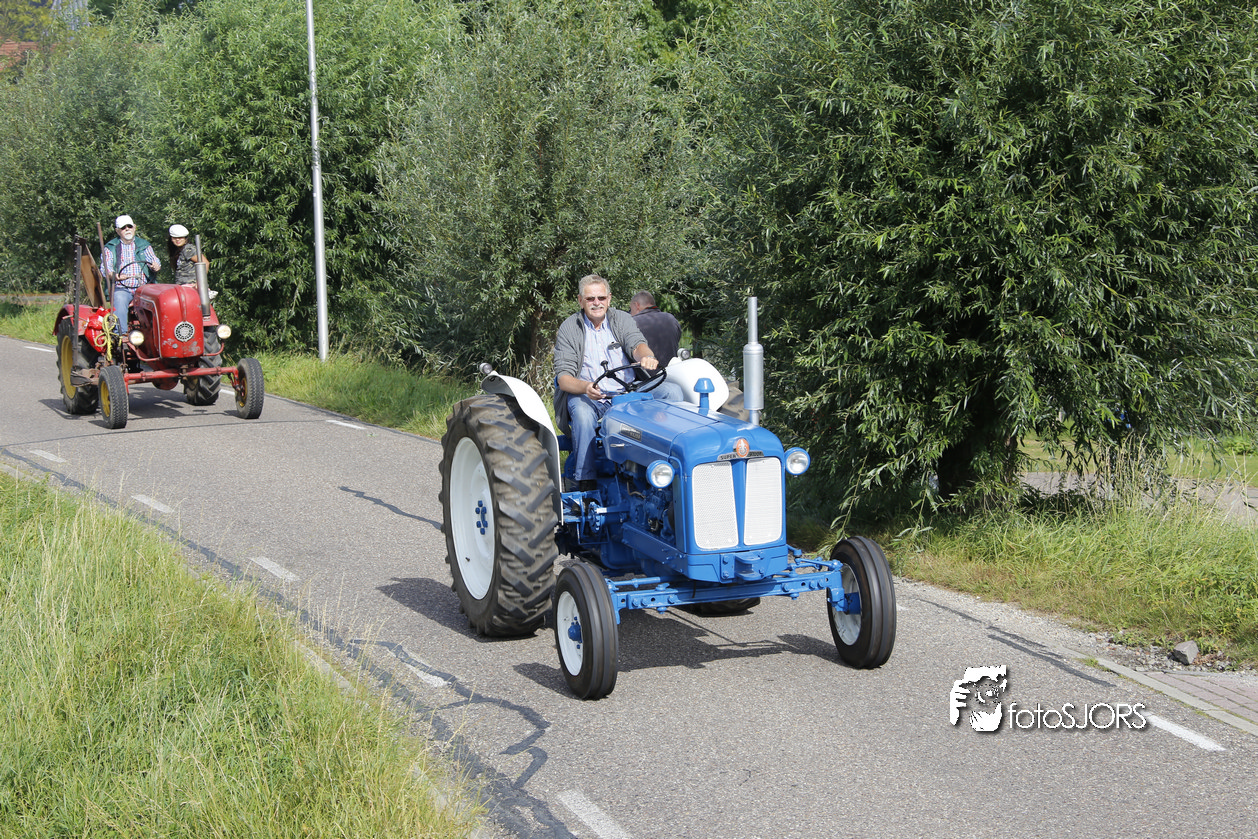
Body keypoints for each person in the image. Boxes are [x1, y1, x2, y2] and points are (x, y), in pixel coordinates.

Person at [554, 274, 684, 490]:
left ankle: (670, 463)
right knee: (582, 414)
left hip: (628, 393)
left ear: (609, 299)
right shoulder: (570, 328)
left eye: (601, 298)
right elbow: (563, 378)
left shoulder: (621, 319)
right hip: (591, 397)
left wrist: (646, 356)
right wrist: (585, 387)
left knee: (672, 392)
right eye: (590, 299)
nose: (596, 303)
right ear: (580, 301)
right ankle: (585, 480)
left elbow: (637, 344)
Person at [101, 214, 161, 333]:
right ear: (117, 231)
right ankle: (121, 334)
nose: (127, 229)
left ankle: (159, 333)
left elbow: (153, 259)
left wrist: (155, 265)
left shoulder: (144, 245)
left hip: (144, 287)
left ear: (134, 227)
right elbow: (106, 268)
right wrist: (115, 276)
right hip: (122, 288)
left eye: (129, 226)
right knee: (119, 298)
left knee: (161, 299)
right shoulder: (110, 247)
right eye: (123, 228)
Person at [628, 290, 682, 368]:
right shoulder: (671, 319)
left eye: (630, 309)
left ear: (637, 305)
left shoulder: (632, 322)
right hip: (671, 372)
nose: (630, 313)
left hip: (645, 373)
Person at [166, 224, 216, 298]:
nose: (177, 240)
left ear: (186, 238)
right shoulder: (180, 251)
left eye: (180, 238)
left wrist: (200, 282)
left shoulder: (188, 249)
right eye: (175, 238)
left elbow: (205, 263)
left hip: (191, 287)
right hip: (183, 287)